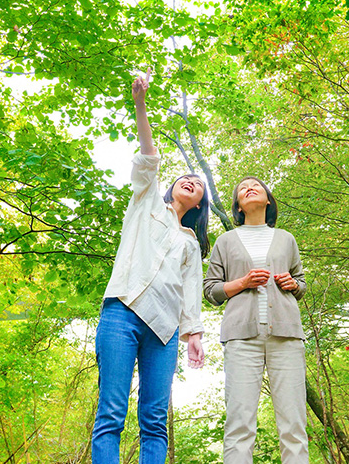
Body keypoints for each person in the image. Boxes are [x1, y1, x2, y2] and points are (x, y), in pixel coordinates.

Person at [91, 72, 209, 464]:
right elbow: (149, 156)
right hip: (121, 312)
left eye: (199, 183)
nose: (191, 181)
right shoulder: (145, 201)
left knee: (155, 420)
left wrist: (194, 333)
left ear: (200, 205)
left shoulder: (191, 243)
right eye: (186, 177)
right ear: (171, 186)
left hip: (165, 329)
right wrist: (140, 105)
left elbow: (191, 292)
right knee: (111, 412)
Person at [204, 176, 308, 464]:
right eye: (242, 188)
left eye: (256, 186)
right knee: (239, 424)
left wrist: (293, 284)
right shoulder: (225, 241)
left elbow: (301, 283)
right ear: (238, 204)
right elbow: (210, 290)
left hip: (286, 335)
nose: (249, 188)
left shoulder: (286, 239)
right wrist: (242, 282)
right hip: (241, 337)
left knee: (294, 424)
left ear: (268, 199)